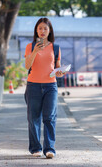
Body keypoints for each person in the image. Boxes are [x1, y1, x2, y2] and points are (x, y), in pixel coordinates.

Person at [24, 17, 64, 159]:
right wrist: (35, 51)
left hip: (50, 86)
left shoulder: (56, 47)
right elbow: (27, 65)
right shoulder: (30, 46)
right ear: (36, 30)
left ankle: (50, 149)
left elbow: (57, 69)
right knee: (33, 118)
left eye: (45, 28)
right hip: (33, 85)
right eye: (40, 28)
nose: (42, 31)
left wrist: (60, 72)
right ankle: (35, 148)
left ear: (49, 31)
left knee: (50, 117)